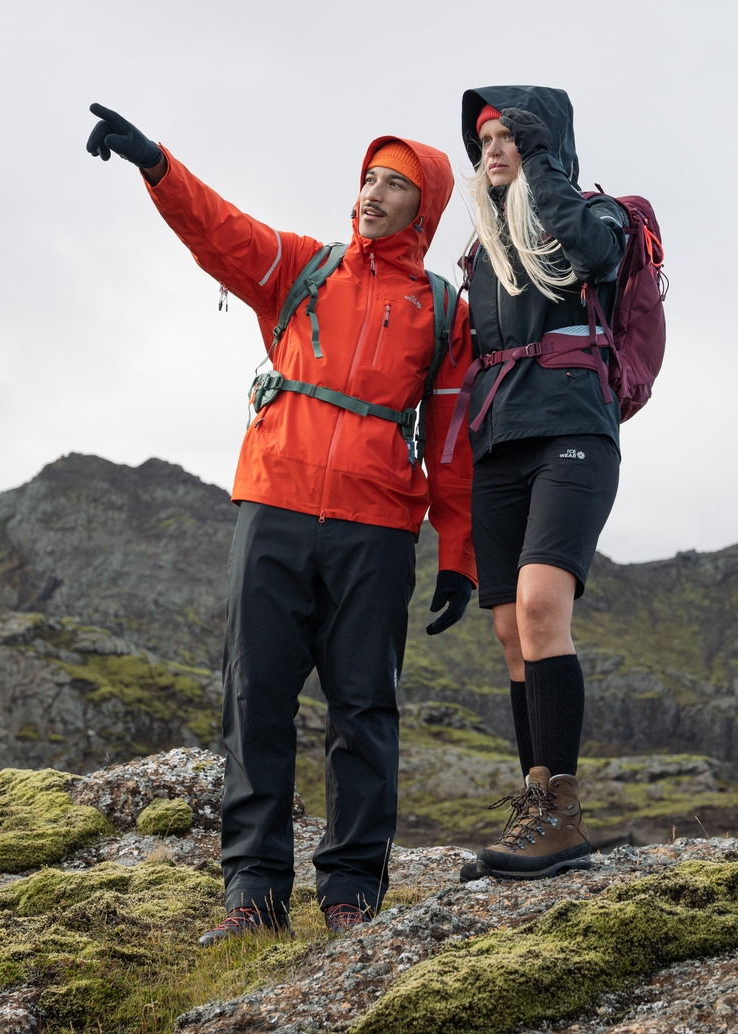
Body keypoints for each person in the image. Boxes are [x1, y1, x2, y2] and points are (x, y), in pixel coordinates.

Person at [84, 102, 476, 939]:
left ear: (427, 207)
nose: (372, 194)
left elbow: (448, 441)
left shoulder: (443, 312)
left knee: (363, 707)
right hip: (276, 505)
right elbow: (220, 230)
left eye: (395, 185)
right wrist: (157, 164)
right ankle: (252, 898)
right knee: (254, 697)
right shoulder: (302, 269)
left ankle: (350, 899)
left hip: (377, 528)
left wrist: (459, 556)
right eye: (368, 178)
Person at [444, 85, 626, 880]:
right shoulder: (481, 250)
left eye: (508, 134)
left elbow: (594, 255)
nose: (491, 148)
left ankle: (563, 815)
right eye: (482, 138)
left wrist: (542, 165)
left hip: (574, 430)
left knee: (543, 603)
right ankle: (535, 803)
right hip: (500, 445)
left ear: (542, 141)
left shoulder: (602, 212)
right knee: (510, 631)